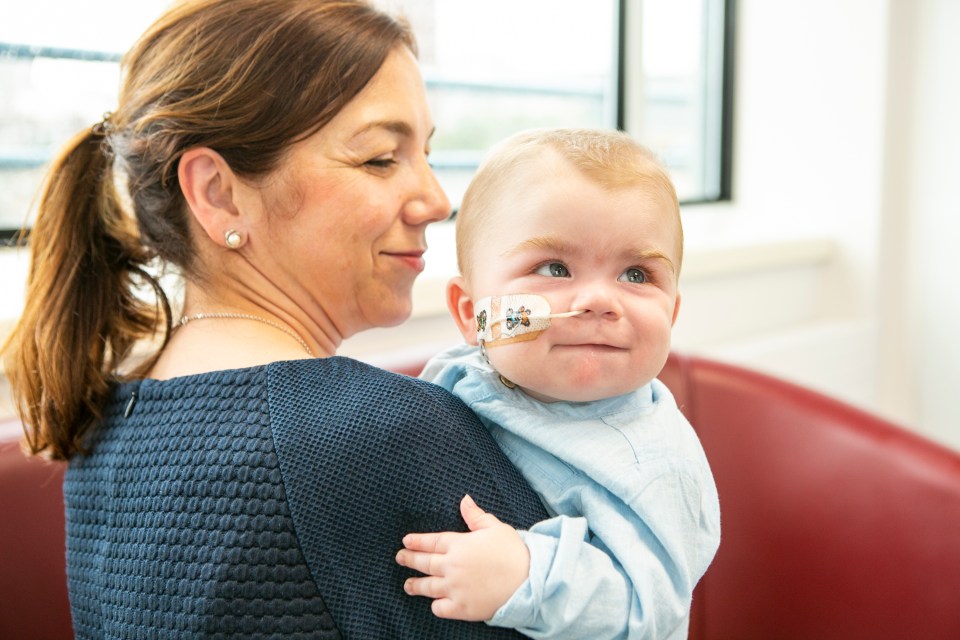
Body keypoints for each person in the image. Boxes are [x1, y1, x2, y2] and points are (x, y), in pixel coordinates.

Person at [0, 1, 550, 637]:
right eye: (378, 158)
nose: (436, 199)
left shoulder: (104, 428)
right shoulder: (386, 435)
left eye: (425, 153)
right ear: (219, 193)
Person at [395, 128, 721, 639]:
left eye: (636, 275)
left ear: (672, 312)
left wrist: (528, 576)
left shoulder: (655, 464)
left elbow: (649, 612)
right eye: (554, 267)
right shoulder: (457, 376)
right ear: (473, 314)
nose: (597, 300)